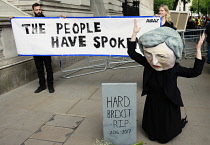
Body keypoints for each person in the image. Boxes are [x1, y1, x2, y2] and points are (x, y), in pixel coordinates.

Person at [127, 20, 205, 144]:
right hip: (153, 98)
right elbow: (132, 53)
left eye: (161, 57)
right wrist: (134, 33)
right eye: (149, 55)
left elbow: (194, 72)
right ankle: (152, 132)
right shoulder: (148, 64)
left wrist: (198, 50)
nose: (154, 62)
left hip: (168, 100)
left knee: (166, 120)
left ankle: (166, 134)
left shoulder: (175, 69)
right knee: (153, 118)